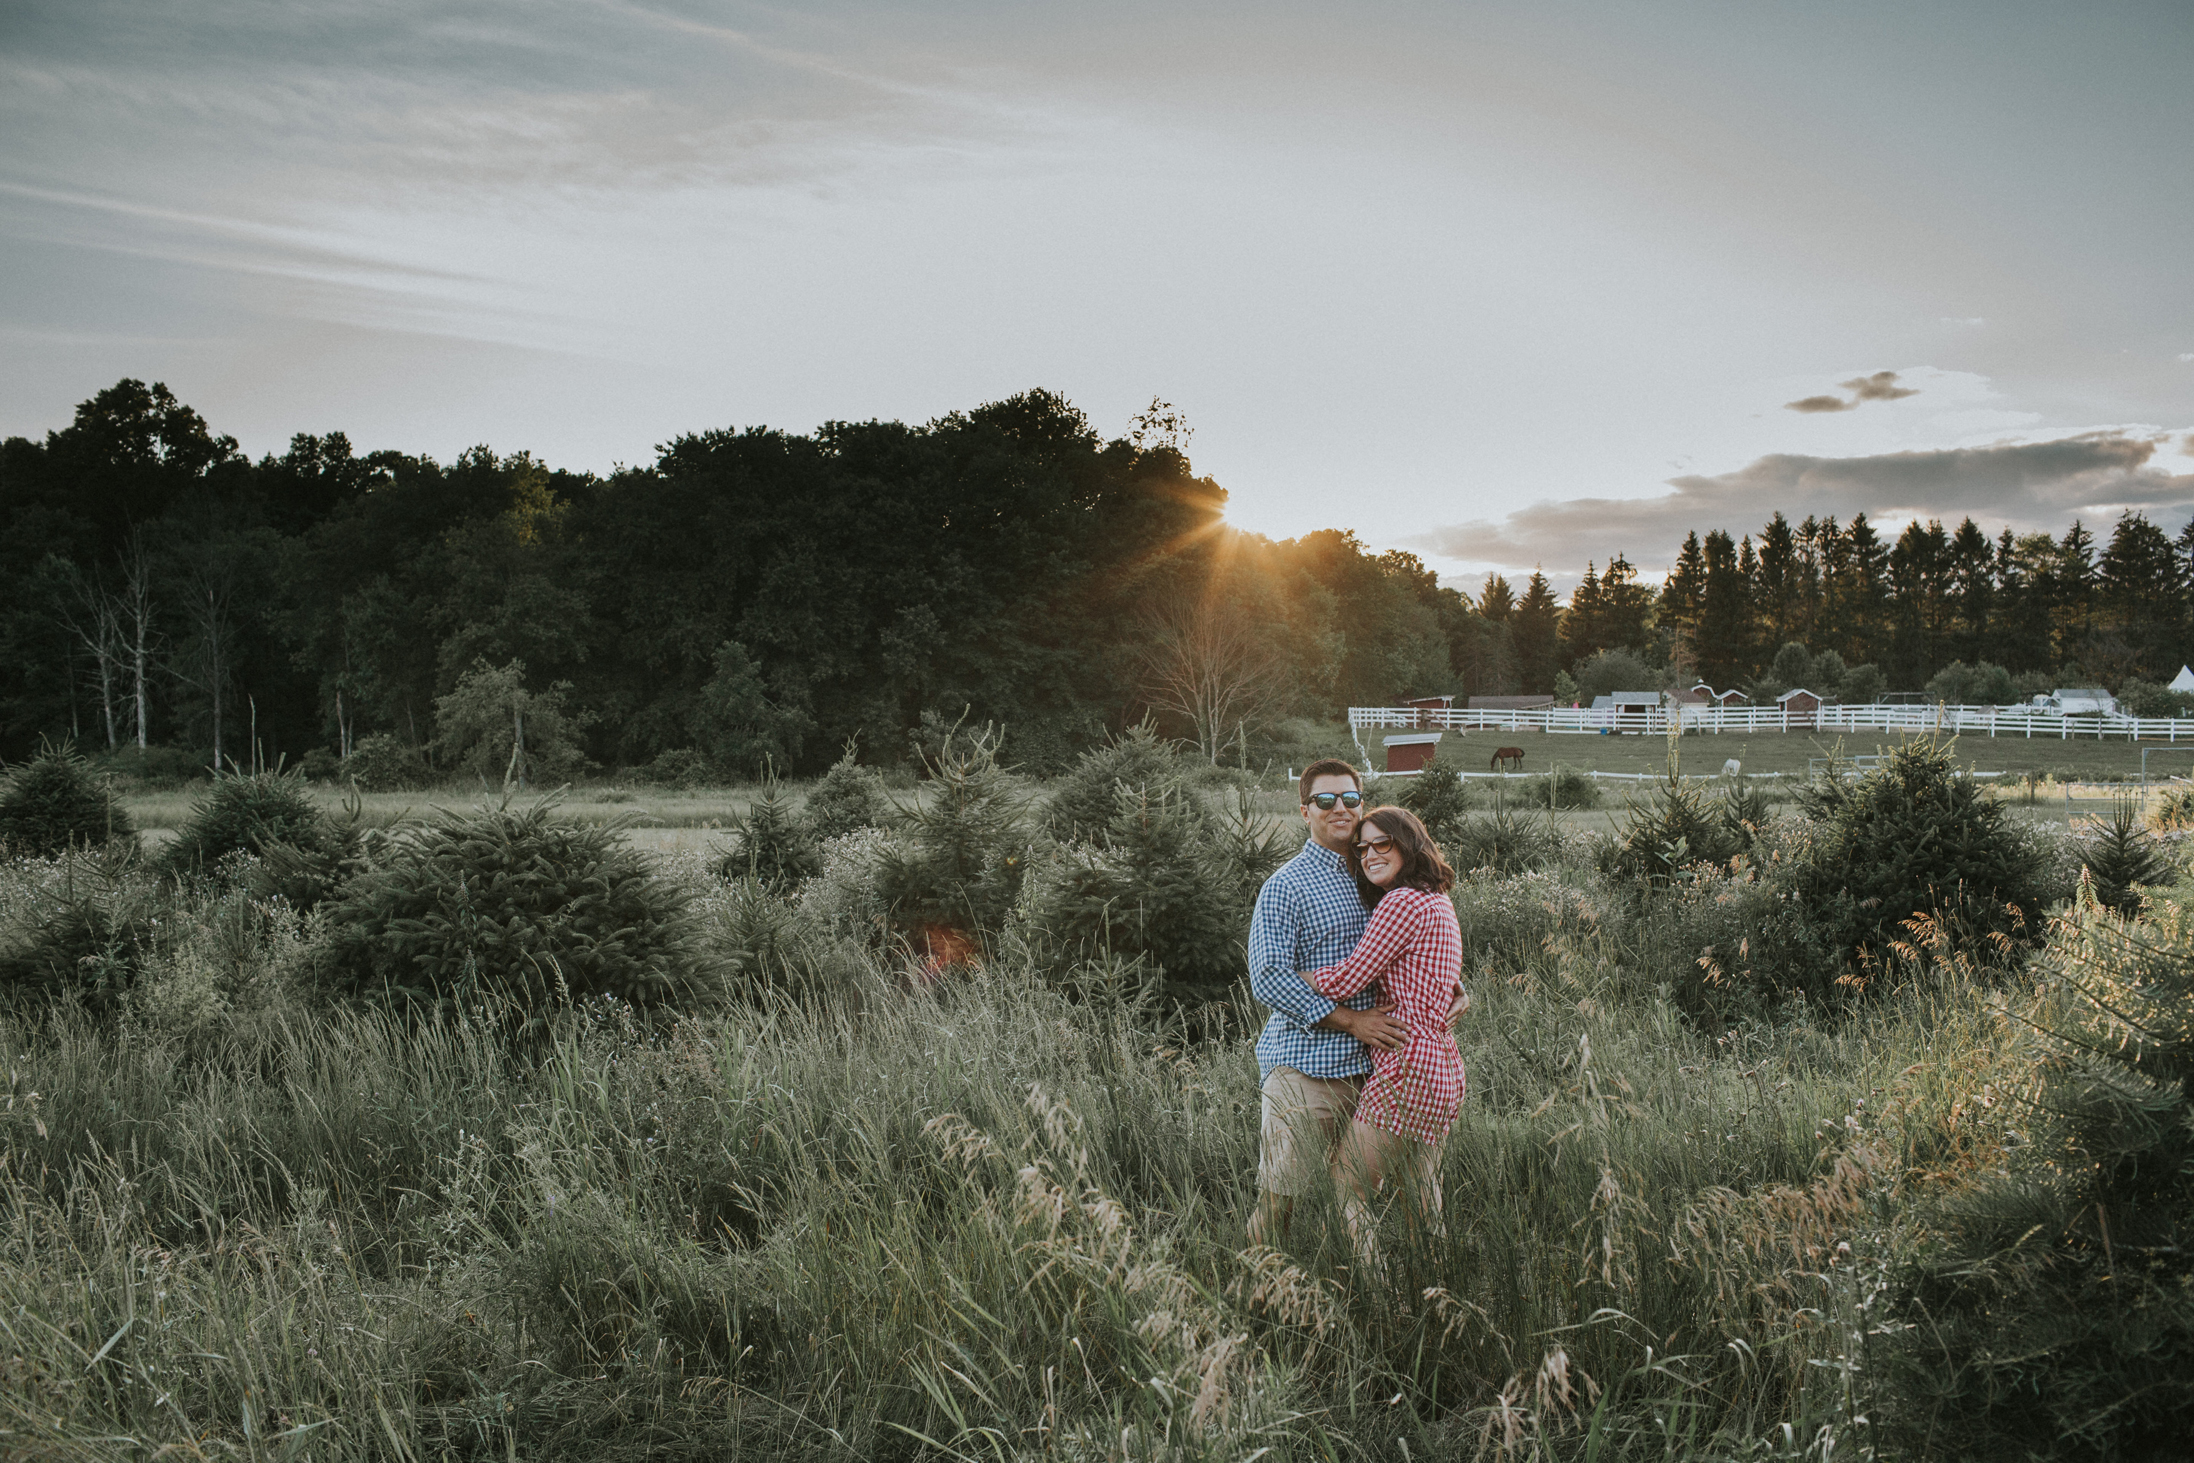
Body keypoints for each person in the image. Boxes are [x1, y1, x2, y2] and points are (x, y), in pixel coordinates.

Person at [1245, 759, 1410, 1248]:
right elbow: (1268, 978)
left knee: (1360, 1196)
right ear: (1305, 811)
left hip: (1377, 1071)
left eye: (1350, 799)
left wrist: (1452, 985)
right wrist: (1351, 1021)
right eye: (1325, 800)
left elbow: (1414, 937)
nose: (1340, 808)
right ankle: (1253, 1301)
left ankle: (1368, 1304)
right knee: (1280, 1199)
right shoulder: (1285, 886)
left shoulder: (1381, 874)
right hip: (1306, 1072)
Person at [1309, 805, 1465, 1268]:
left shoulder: (1400, 902)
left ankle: (1379, 1299)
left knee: (1347, 1183)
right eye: (1362, 847)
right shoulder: (1436, 899)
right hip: (1442, 1065)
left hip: (1407, 1064)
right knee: (1421, 1191)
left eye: (1383, 844)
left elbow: (1345, 981)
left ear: (1408, 844)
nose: (1370, 854)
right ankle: (1436, 1290)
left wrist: (1302, 974)